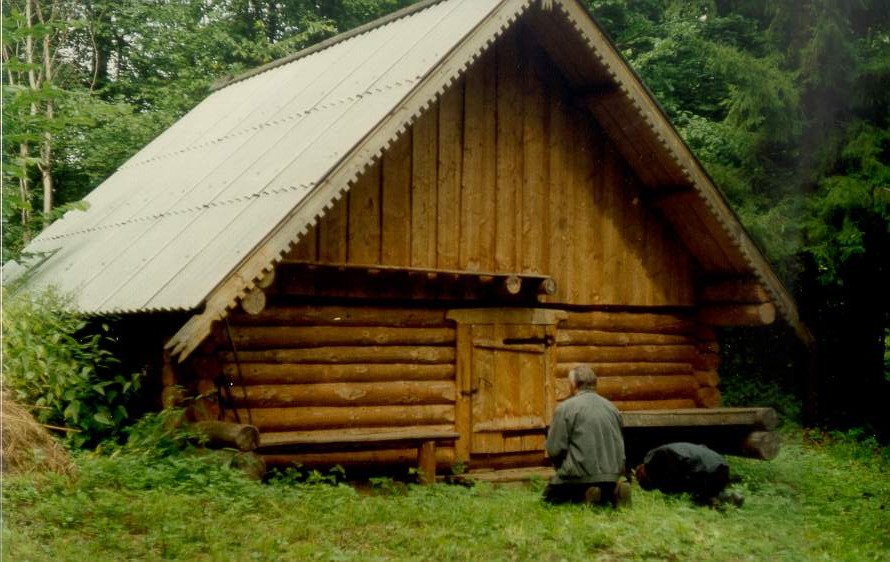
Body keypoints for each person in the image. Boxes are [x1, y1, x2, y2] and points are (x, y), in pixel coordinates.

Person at [543, 364, 631, 507]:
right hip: (612, 475)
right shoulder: (612, 408)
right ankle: (612, 491)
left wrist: (562, 468)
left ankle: (587, 495)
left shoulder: (565, 408)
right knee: (603, 484)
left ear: (573, 384)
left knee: (548, 500)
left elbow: (554, 449)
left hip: (577, 476)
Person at [635, 442, 744, 508]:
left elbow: (676, 481)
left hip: (708, 470)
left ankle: (722, 499)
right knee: (703, 496)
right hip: (720, 465)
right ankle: (728, 498)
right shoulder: (658, 455)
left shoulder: (658, 458)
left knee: (699, 498)